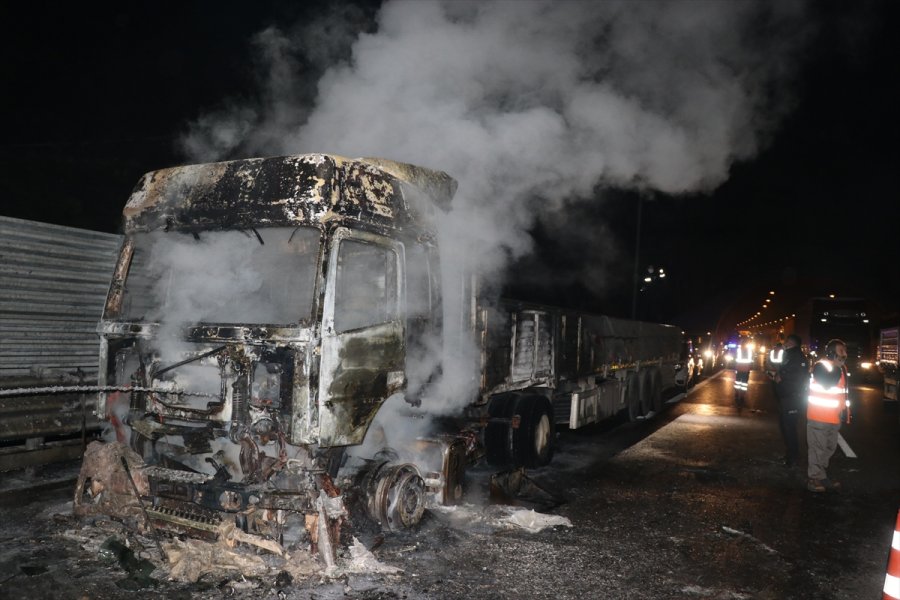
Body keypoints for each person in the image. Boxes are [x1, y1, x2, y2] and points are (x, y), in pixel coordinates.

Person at [806, 338, 850, 492]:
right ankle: (813, 478)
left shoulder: (840, 368)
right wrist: (838, 367)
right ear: (831, 353)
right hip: (819, 417)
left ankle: (821, 475)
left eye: (845, 350)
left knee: (829, 448)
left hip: (833, 417)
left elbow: (841, 394)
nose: (845, 354)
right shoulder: (820, 366)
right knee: (818, 449)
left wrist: (844, 413)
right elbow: (827, 383)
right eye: (841, 351)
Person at [774, 334, 808, 467]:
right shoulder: (792, 355)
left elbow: (796, 375)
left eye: (787, 341)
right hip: (788, 397)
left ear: (792, 343)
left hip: (792, 397)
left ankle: (793, 458)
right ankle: (791, 454)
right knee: (787, 427)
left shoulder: (796, 356)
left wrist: (780, 376)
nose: (785, 343)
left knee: (789, 428)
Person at [733, 341, 753, 406]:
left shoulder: (738, 350)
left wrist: (735, 368)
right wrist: (749, 369)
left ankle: (737, 394)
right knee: (744, 384)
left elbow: (735, 360)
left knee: (738, 383)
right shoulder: (749, 351)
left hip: (739, 369)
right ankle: (742, 396)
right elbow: (751, 361)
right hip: (746, 370)